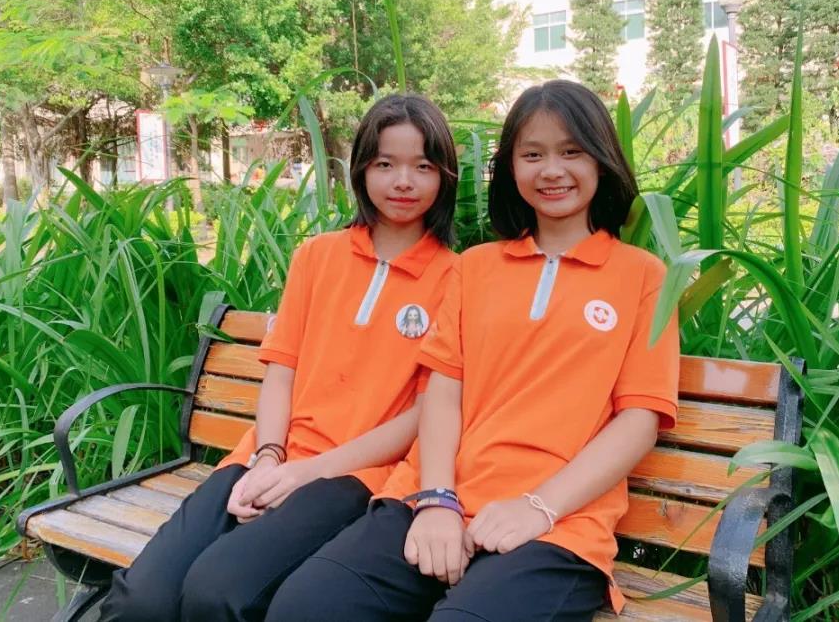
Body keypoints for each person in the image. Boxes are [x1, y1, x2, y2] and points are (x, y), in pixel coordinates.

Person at [268, 80, 681, 622]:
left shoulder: (643, 277)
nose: (551, 170)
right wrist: (438, 499)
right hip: (431, 499)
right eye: (532, 155)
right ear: (510, 167)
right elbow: (443, 393)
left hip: (559, 524)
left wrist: (538, 508)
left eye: (571, 152)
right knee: (304, 606)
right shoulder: (476, 267)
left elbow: (640, 420)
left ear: (602, 161)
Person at [99, 93, 459, 622]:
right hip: (265, 456)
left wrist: (304, 473)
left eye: (422, 167)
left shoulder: (455, 279)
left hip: (354, 476)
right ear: (361, 169)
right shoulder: (317, 256)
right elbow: (281, 370)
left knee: (218, 592)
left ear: (444, 176)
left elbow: (424, 415)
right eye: (385, 164)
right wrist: (268, 457)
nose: (403, 181)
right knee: (143, 600)